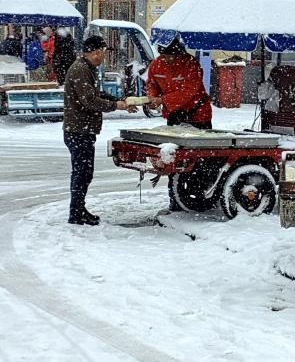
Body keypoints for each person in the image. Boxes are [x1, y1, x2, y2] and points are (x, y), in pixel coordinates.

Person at [63, 35, 132, 225]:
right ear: (96, 52)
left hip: (82, 130)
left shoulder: (87, 69)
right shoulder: (80, 70)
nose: (103, 56)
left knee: (85, 172)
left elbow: (96, 94)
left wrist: (119, 102)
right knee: (81, 172)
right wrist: (116, 106)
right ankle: (76, 213)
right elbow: (89, 100)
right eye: (102, 52)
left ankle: (78, 209)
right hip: (78, 131)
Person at [146, 37, 213, 211]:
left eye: (171, 56)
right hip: (175, 116)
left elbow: (188, 92)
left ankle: (200, 195)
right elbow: (151, 83)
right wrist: (152, 97)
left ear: (180, 53)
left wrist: (163, 99)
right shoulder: (156, 65)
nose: (167, 59)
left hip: (198, 116)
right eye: (164, 55)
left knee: (200, 160)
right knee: (173, 158)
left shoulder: (192, 65)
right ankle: (175, 198)